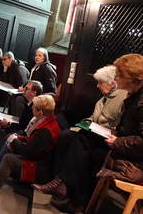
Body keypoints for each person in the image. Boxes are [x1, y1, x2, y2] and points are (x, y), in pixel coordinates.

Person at [32, 65, 128, 212]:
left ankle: (63, 186)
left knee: (79, 142)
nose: (97, 86)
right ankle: (61, 185)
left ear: (112, 82)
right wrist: (81, 125)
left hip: (106, 140)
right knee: (65, 136)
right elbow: (92, 117)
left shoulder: (121, 98)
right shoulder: (104, 97)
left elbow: (117, 125)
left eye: (100, 82)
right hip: (94, 134)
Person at [0, 95, 61, 204]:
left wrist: (15, 141)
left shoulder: (45, 131)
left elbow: (29, 152)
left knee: (8, 158)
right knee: (10, 141)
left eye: (34, 107)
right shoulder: (48, 122)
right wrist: (19, 139)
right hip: (38, 161)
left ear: (40, 112)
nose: (32, 108)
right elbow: (33, 144)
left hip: (39, 169)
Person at [0, 80, 43, 187]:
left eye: (27, 89)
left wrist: (9, 125)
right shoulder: (30, 103)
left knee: (9, 138)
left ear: (34, 93)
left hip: (28, 137)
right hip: (25, 131)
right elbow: (23, 124)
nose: (23, 90)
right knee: (5, 134)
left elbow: (25, 127)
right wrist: (8, 125)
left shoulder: (36, 107)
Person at [96, 54, 143, 184]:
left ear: (131, 78)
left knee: (91, 154)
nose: (116, 78)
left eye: (119, 75)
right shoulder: (133, 95)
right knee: (81, 139)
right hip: (128, 151)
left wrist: (117, 141)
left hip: (135, 162)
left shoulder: (139, 100)